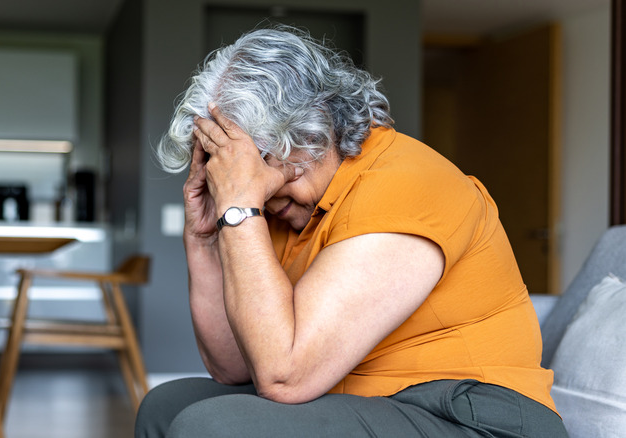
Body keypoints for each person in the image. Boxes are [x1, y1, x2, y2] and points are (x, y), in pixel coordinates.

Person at [136, 25, 568, 438]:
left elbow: (284, 377)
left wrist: (238, 208)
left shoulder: (406, 182)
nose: (257, 193)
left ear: (312, 129)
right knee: (166, 406)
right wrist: (205, 236)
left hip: (472, 417)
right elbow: (233, 366)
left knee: (212, 427)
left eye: (259, 165)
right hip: (367, 401)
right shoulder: (281, 211)